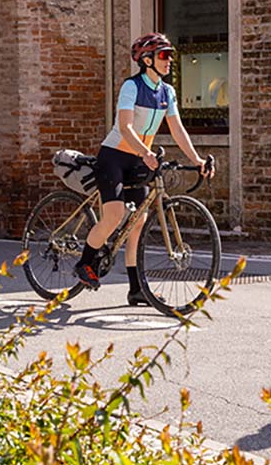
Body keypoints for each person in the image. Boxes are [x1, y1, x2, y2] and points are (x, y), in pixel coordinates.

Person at [75, 32, 215, 305]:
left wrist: (197, 160)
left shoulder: (167, 92)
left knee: (138, 222)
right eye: (164, 55)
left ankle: (136, 288)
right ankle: (84, 263)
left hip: (140, 159)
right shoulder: (132, 86)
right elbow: (125, 126)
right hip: (114, 156)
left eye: (170, 55)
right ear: (147, 60)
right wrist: (145, 152)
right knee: (115, 214)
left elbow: (177, 128)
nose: (169, 60)